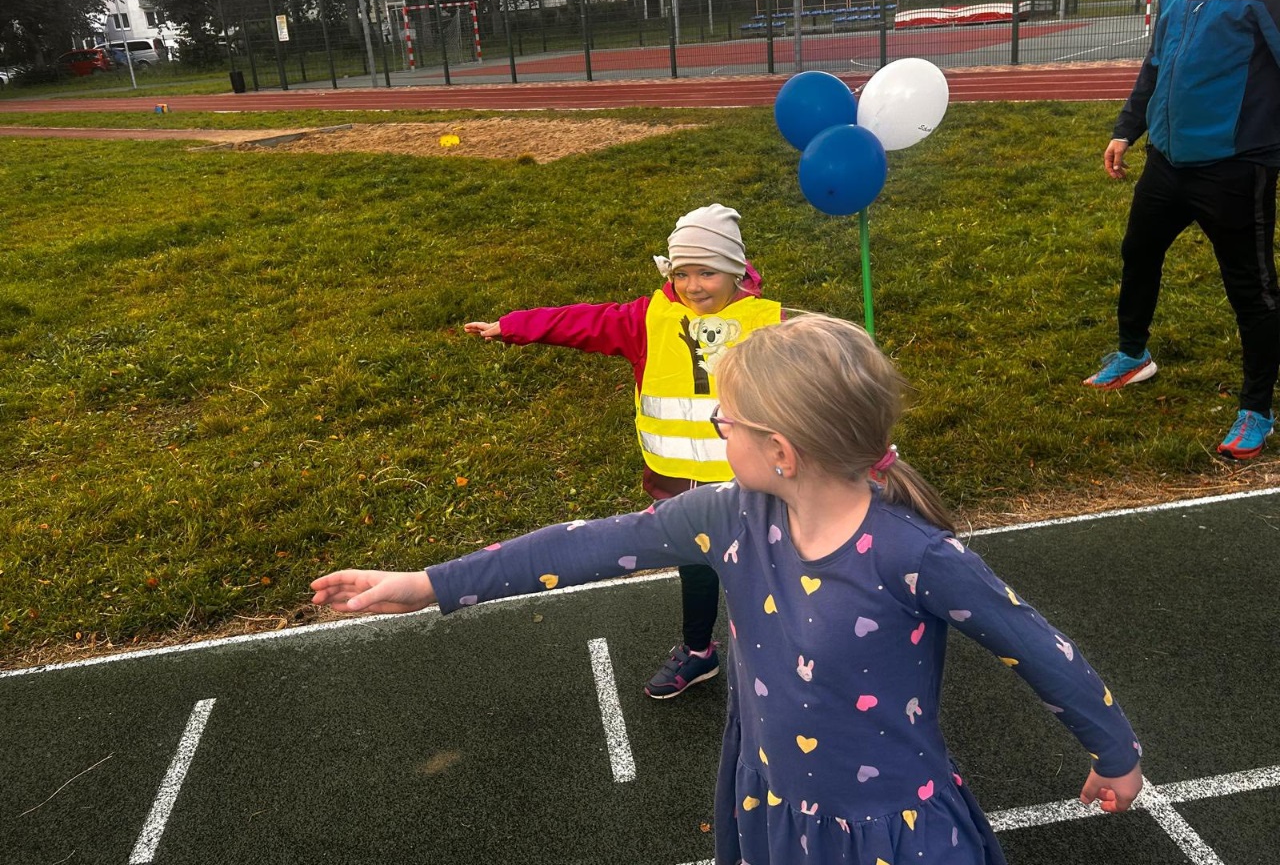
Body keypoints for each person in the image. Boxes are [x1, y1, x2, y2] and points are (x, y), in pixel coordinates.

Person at [314, 314, 1144, 865]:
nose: (717, 429)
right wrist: (430, 584)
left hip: (888, 828)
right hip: (773, 795)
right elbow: (587, 544)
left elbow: (1038, 647)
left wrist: (1116, 756)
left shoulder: (915, 556)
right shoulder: (729, 516)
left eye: (726, 419)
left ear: (781, 450)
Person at [463, 204, 784, 699]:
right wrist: (514, 326)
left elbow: (822, 373)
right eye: (681, 274)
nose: (694, 286)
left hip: (755, 482)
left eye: (707, 273)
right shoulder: (646, 319)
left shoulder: (772, 323)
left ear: (735, 270)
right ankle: (699, 651)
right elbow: (582, 322)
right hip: (680, 487)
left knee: (768, 567)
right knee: (697, 569)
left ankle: (784, 653)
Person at [1087, 0, 1280, 460]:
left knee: (1252, 290)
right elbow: (1157, 61)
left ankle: (1257, 410)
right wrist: (1128, 129)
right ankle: (1133, 355)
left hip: (1236, 166)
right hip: (1167, 160)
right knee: (1138, 252)